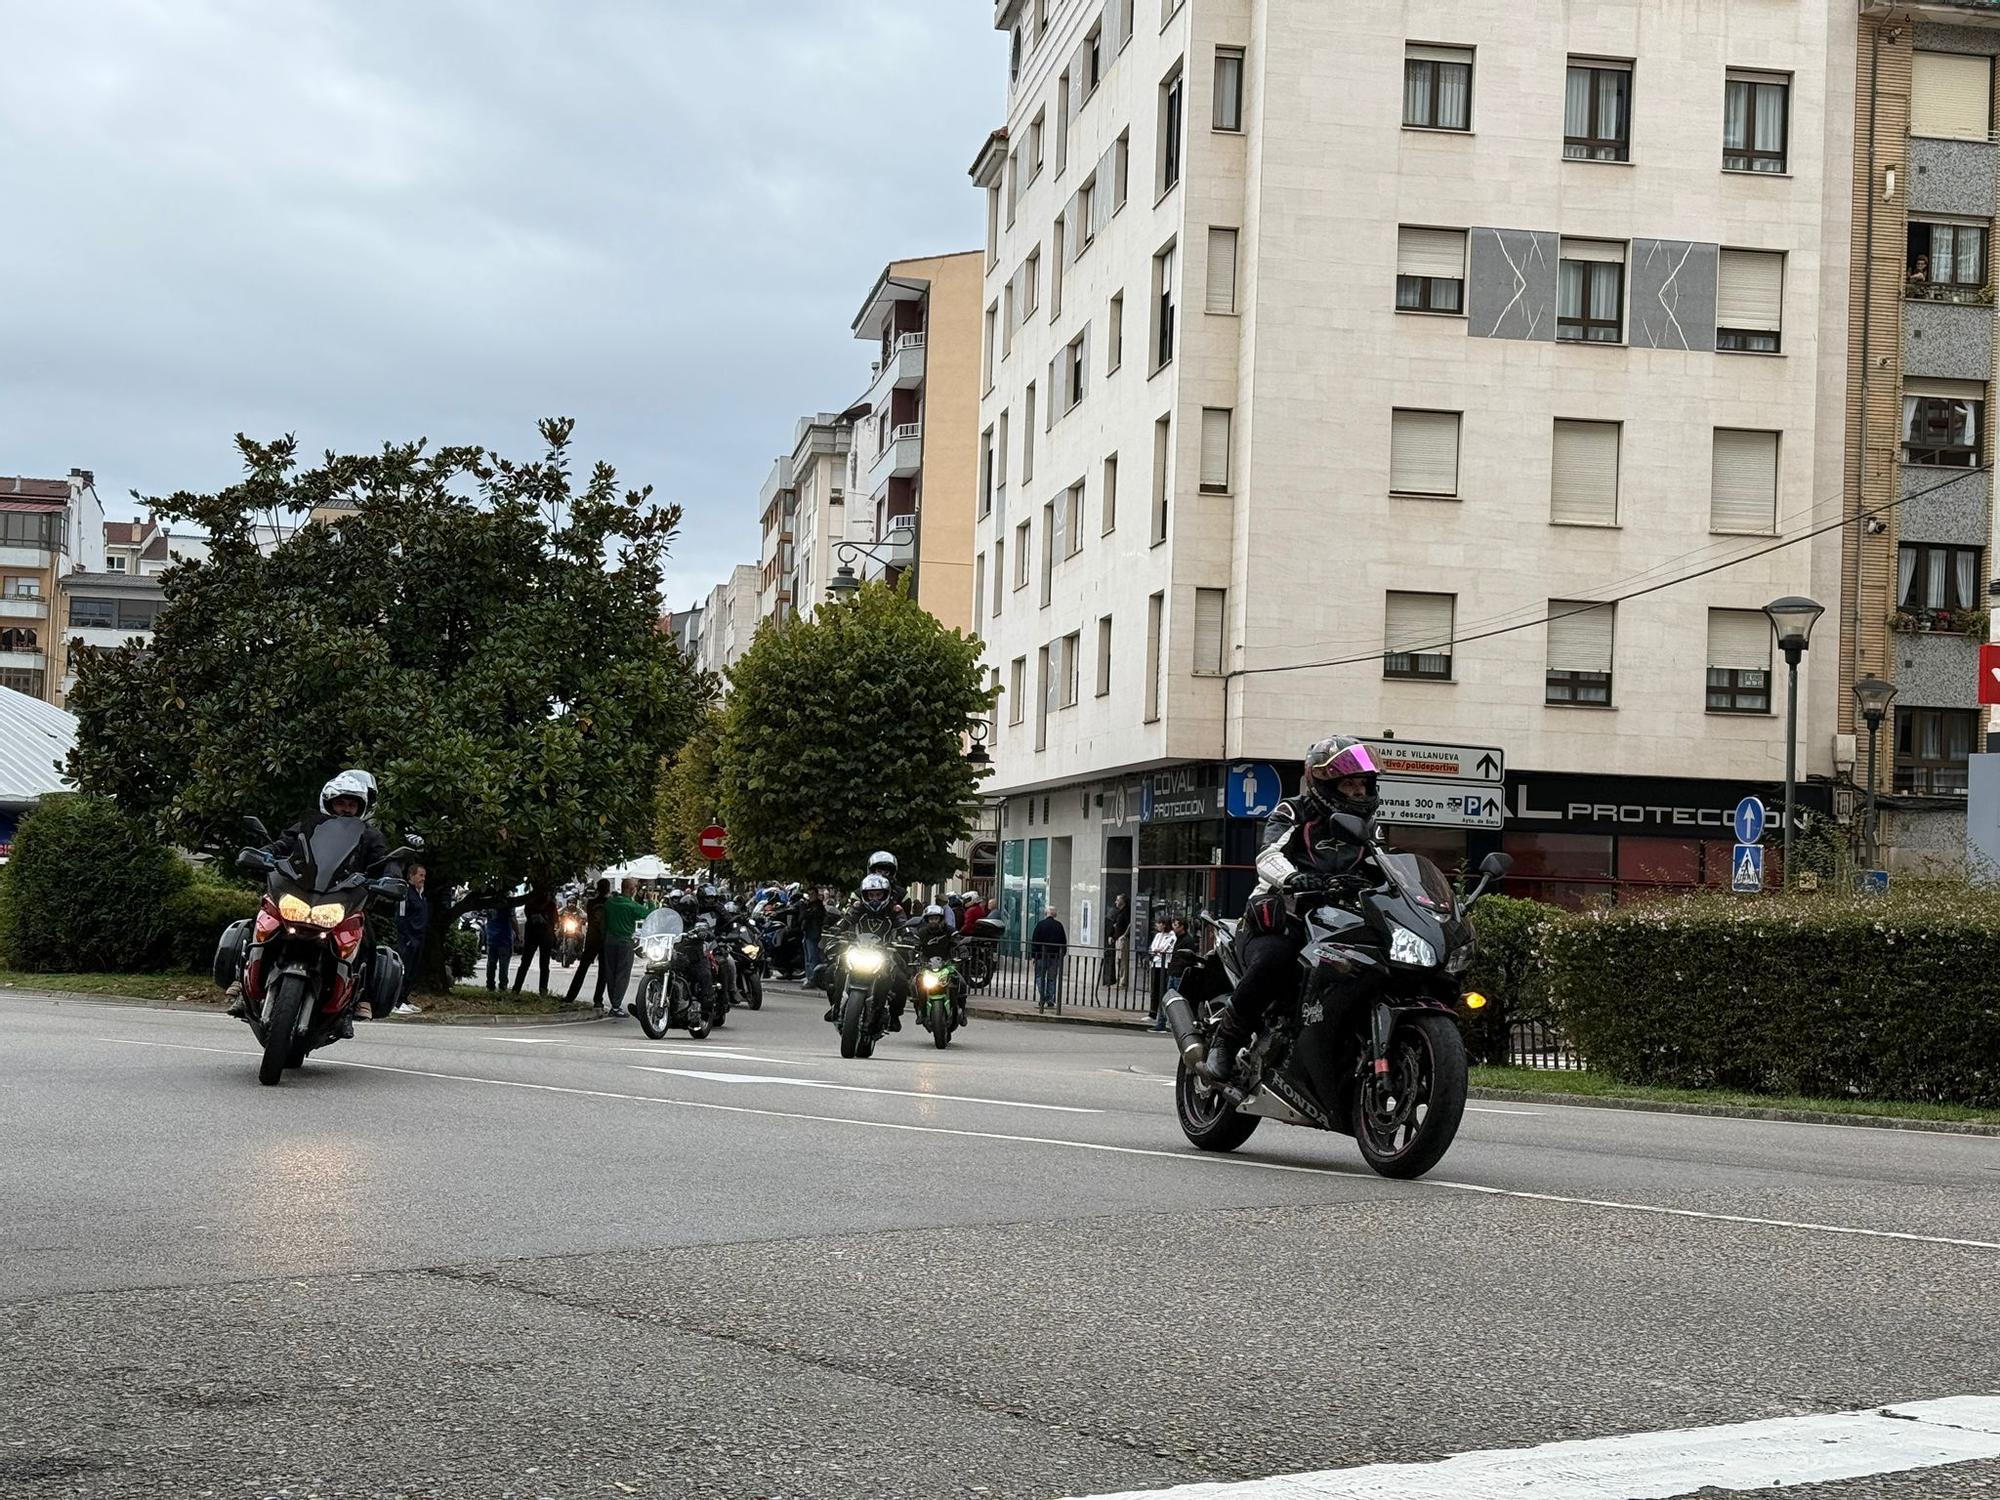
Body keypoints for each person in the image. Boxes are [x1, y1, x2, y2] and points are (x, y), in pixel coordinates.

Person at [1201, 735, 1378, 1084]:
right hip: (1282, 916)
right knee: (1273, 960)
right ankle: (1226, 1040)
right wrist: (1295, 878)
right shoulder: (1293, 812)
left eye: (1363, 784)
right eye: (1349, 784)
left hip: (1334, 921)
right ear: (1324, 784)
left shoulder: (1369, 826)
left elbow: (1384, 865)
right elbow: (1269, 855)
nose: (1358, 792)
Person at [601, 878, 653, 1016]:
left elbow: (603, 924)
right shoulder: (631, 906)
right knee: (622, 975)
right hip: (625, 942)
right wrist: (650, 900)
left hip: (609, 941)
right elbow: (650, 914)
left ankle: (614, 1003)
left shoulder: (610, 903)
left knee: (610, 973)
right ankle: (616, 1005)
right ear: (631, 889)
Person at [565, 878, 611, 1008]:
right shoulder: (610, 903)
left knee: (582, 969)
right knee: (603, 972)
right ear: (608, 889)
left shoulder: (591, 903)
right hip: (604, 940)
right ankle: (598, 1000)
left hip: (592, 939)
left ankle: (570, 996)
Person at [392, 865, 428, 1018]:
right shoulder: (406, 893)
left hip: (419, 937)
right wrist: (406, 937)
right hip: (408, 938)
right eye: (420, 875)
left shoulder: (420, 894)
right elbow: (400, 917)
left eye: (424, 876)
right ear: (411, 876)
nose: (422, 879)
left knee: (413, 971)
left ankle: (404, 998)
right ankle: (396, 1002)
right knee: (404, 970)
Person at [512, 884, 558, 996]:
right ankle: (542, 990)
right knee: (542, 965)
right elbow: (555, 920)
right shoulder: (549, 905)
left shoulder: (531, 903)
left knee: (526, 964)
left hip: (534, 936)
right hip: (542, 937)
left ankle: (516, 989)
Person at [1031, 906, 1067, 1011]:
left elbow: (1035, 941)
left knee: (1039, 977)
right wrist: (1061, 955)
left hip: (1041, 956)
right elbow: (1063, 942)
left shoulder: (1040, 925)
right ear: (1054, 914)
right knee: (1052, 978)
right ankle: (1050, 999)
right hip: (1055, 956)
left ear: (1046, 913)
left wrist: (1034, 955)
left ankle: (1043, 997)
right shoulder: (1059, 926)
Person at [1147, 915, 1177, 1030]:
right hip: (1155, 963)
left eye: (1159, 923)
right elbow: (1153, 948)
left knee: (1162, 990)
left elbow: (1166, 949)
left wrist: (1158, 951)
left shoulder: (1172, 936)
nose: (1157, 925)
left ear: (1164, 924)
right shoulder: (1158, 935)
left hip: (1164, 965)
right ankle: (1153, 1012)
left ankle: (1162, 1015)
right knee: (1154, 989)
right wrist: (1155, 951)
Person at [483, 903, 517, 992]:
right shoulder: (508, 903)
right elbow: (513, 919)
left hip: (491, 937)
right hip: (504, 938)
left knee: (491, 964)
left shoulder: (489, 902)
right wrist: (518, 934)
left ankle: (490, 986)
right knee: (504, 965)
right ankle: (502, 986)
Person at [1103, 892, 1131, 988]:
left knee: (1122, 961)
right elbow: (1114, 925)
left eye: (1118, 900)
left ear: (1123, 901)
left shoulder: (1126, 912)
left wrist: (1124, 935)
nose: (1116, 902)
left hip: (1122, 939)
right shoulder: (1118, 912)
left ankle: (1122, 982)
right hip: (1117, 938)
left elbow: (1130, 924)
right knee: (1117, 960)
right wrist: (1112, 936)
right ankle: (1118, 980)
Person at [800, 887, 826, 982]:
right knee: (808, 958)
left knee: (813, 957)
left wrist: (807, 913)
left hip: (814, 934)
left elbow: (812, 915)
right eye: (809, 894)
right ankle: (810, 977)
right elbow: (802, 916)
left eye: (812, 894)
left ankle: (814, 979)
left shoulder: (818, 906)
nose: (810, 896)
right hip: (807, 933)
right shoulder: (808, 905)